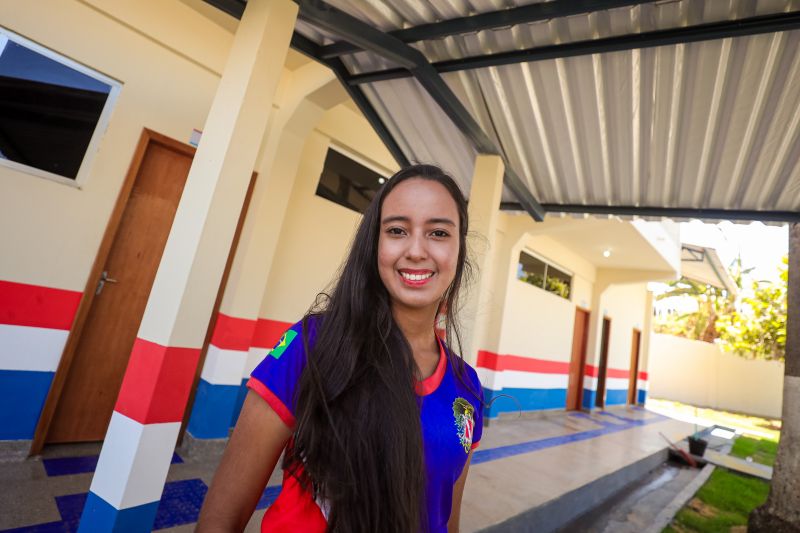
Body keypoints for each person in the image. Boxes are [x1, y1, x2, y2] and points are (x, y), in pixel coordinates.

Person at [197, 164, 484, 532]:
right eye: (397, 230)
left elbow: (445, 521)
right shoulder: (313, 345)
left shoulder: (467, 387)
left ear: (459, 251)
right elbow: (221, 520)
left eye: (439, 233)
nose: (416, 250)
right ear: (374, 244)